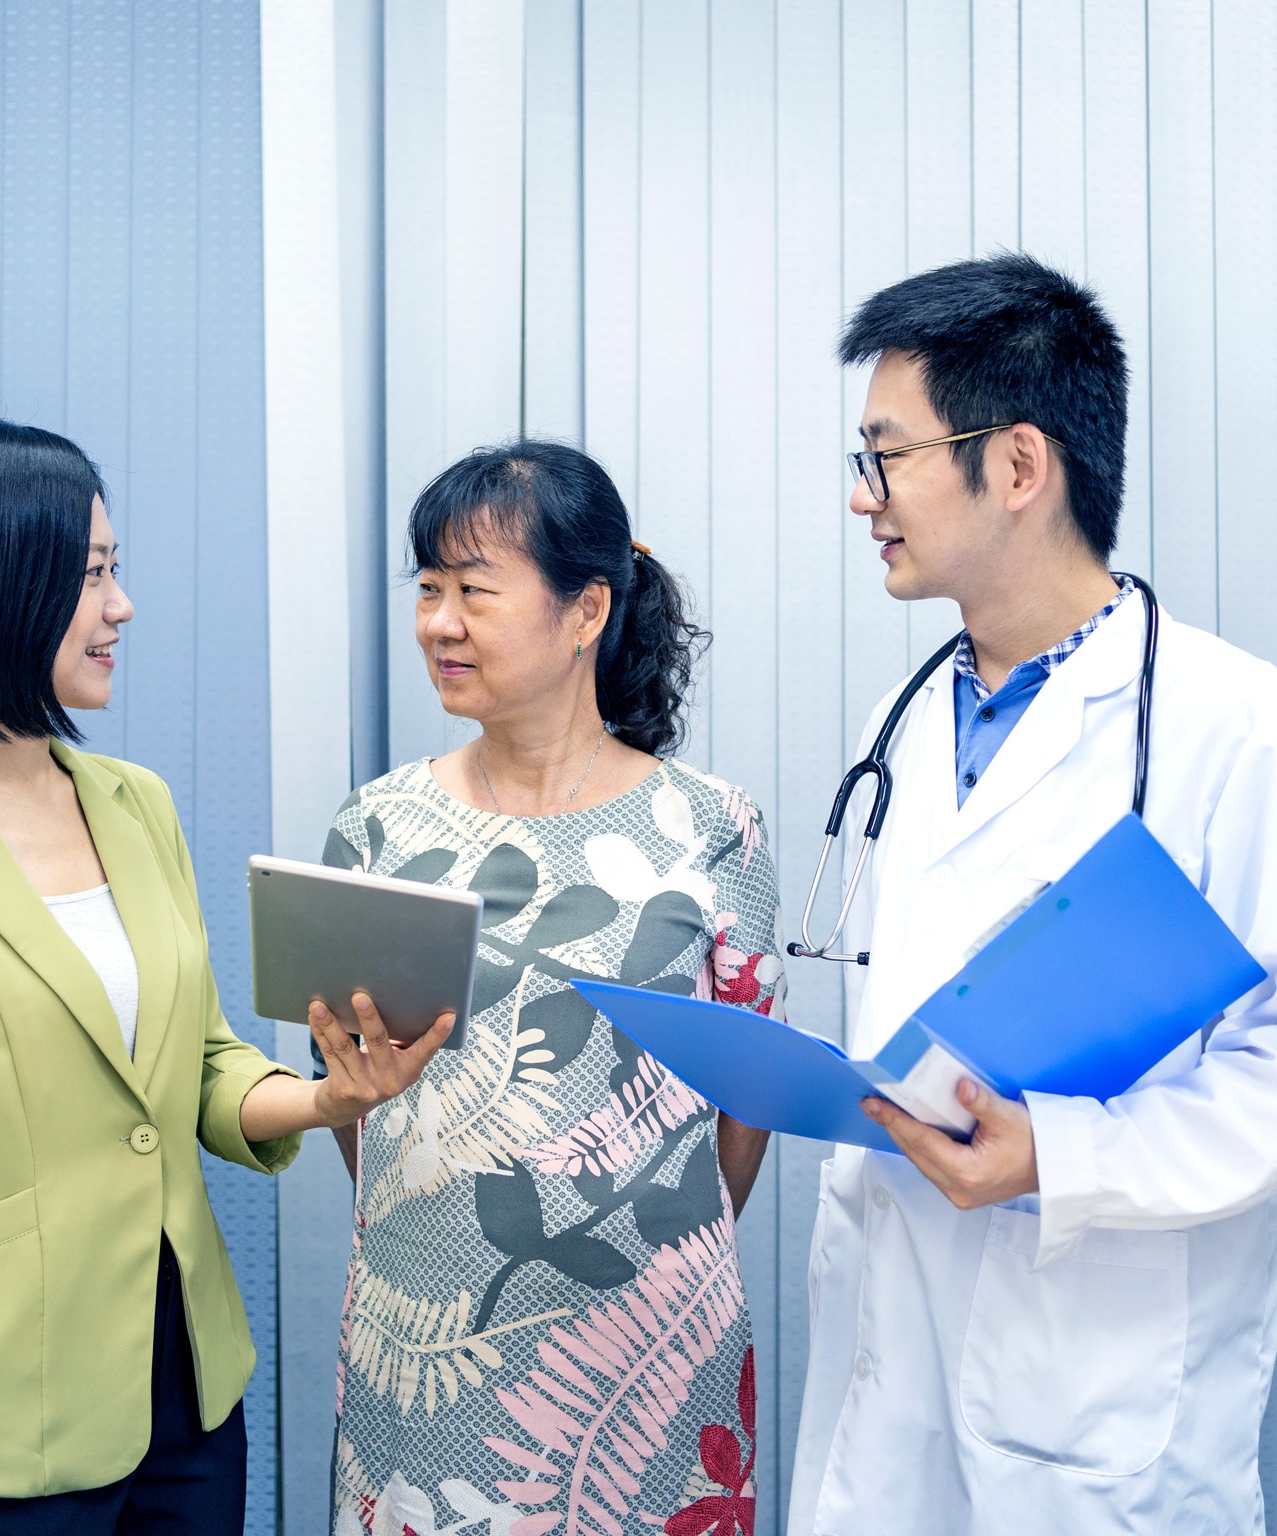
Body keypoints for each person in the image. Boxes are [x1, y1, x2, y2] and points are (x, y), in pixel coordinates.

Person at [0, 416, 450, 1535]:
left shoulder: (136, 805)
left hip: (186, 1401)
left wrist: (331, 1098)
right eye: (90, 577)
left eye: (115, 570)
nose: (120, 607)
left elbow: (197, 1068)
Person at [787, 255, 1277, 1533]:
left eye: (886, 457)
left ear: (1015, 465)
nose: (862, 496)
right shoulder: (910, 725)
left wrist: (1057, 1155)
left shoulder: (1236, 732)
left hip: (1104, 1408)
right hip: (898, 1374)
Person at [315, 441, 782, 1534]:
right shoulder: (375, 830)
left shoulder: (712, 826)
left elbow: (748, 1095)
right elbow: (350, 1091)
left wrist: (643, 1244)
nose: (439, 622)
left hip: (652, 1359)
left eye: (474, 591)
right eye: (428, 590)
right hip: (420, 1348)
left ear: (586, 612)